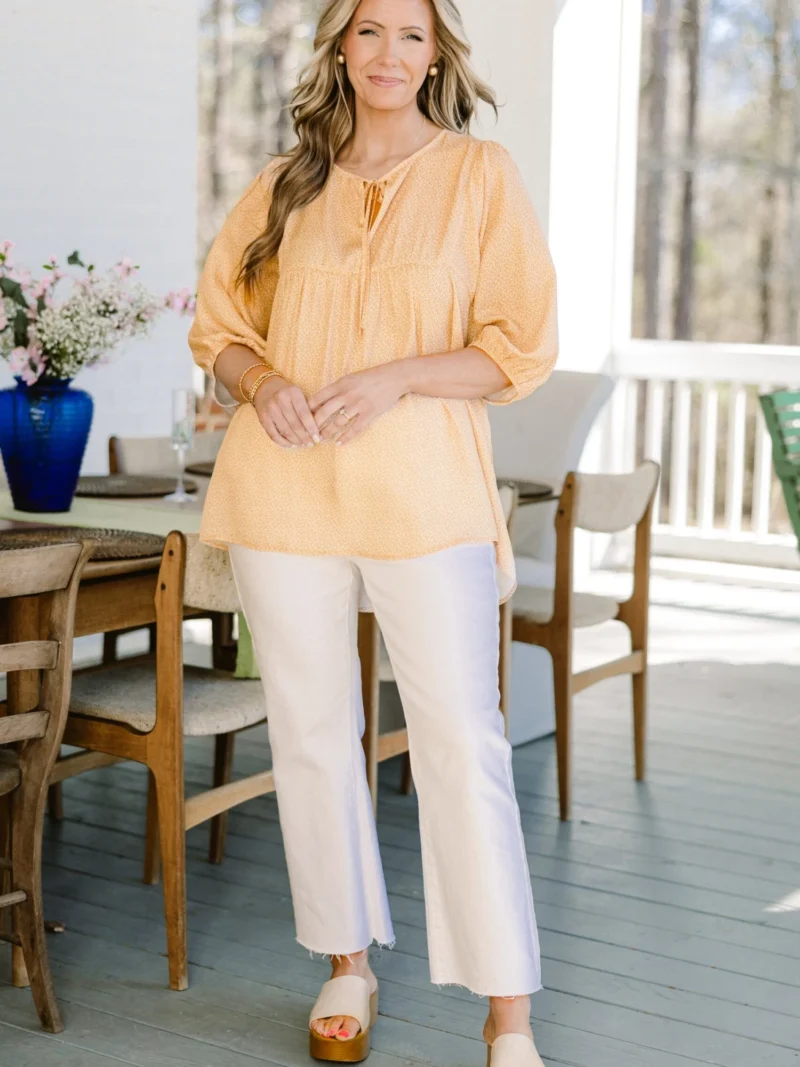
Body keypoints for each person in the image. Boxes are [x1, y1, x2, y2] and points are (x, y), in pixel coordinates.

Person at [188, 0, 558, 1062]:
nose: (387, 52)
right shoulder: (285, 182)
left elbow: (518, 348)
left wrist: (397, 376)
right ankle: (345, 963)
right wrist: (260, 384)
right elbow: (218, 328)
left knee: (461, 740)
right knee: (310, 732)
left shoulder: (479, 177)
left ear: (434, 54)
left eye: (410, 34)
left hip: (425, 496)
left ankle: (508, 1014)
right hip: (284, 491)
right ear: (340, 48)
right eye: (367, 31)